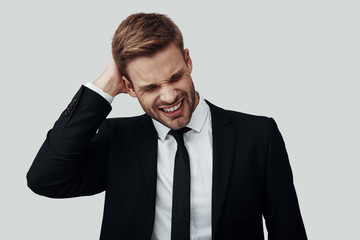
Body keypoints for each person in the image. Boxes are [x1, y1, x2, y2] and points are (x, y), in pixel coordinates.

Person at [27, 13, 307, 240]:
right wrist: (104, 89)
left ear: (188, 60)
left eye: (175, 77)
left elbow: (288, 230)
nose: (170, 96)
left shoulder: (258, 135)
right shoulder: (119, 140)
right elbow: (46, 179)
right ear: (128, 86)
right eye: (150, 87)